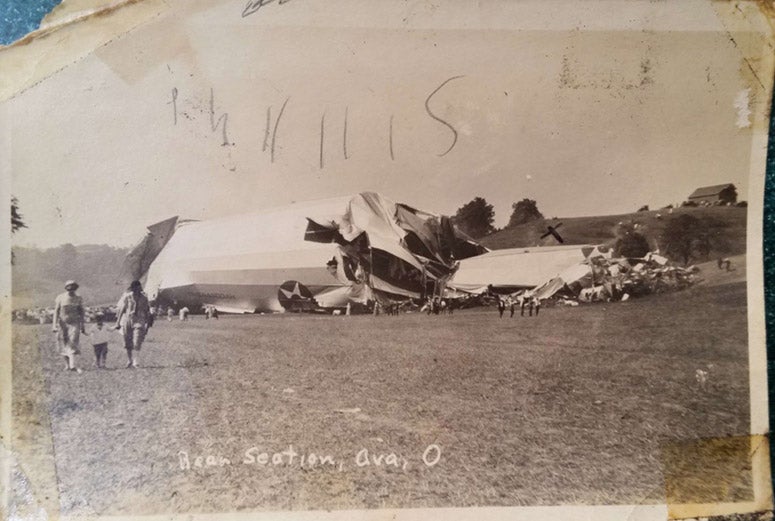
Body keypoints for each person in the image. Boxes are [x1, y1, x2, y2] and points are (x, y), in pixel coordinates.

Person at [115, 280, 151, 368]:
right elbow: (122, 309)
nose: (136, 290)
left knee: (137, 340)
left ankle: (136, 361)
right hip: (128, 319)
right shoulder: (128, 297)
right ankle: (129, 360)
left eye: (138, 288)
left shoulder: (144, 298)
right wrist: (118, 322)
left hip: (139, 320)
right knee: (127, 342)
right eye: (135, 288)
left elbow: (147, 311)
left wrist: (147, 323)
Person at [52, 280, 85, 372]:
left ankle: (72, 365)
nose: (71, 290)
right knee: (63, 343)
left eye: (73, 288)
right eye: (69, 288)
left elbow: (82, 312)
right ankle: (67, 365)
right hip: (63, 323)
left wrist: (83, 325)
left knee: (73, 342)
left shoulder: (78, 298)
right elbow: (56, 311)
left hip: (74, 323)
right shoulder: (60, 297)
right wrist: (54, 325)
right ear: (66, 288)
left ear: (75, 288)